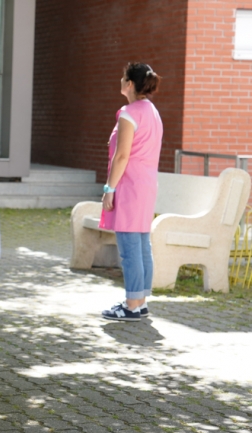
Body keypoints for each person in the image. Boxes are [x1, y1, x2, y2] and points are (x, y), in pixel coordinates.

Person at [100, 62, 163, 322]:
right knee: (141, 245)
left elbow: (122, 155)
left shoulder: (129, 113)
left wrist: (109, 189)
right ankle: (140, 301)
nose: (120, 80)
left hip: (129, 187)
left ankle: (131, 304)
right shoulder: (152, 111)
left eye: (123, 77)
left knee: (129, 248)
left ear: (129, 84)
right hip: (146, 185)